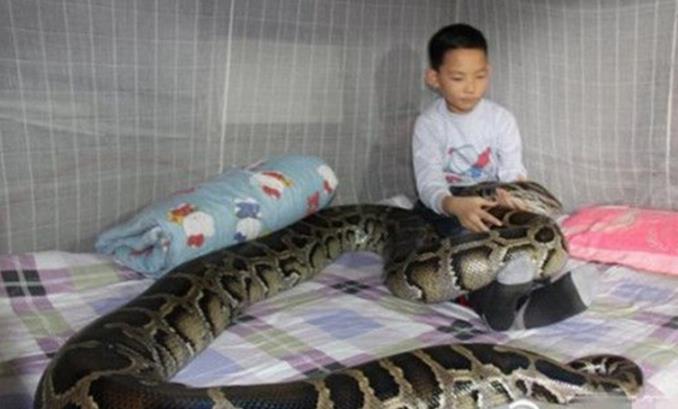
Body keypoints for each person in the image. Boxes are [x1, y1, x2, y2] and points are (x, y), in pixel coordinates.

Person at [412, 23, 595, 331]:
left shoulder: (500, 119)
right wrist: (453, 205)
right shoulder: (429, 124)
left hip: (492, 199)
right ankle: (496, 307)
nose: (470, 87)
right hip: (445, 205)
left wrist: (512, 200)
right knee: (464, 243)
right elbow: (429, 182)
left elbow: (511, 172)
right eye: (458, 78)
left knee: (535, 232)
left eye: (480, 76)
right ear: (434, 78)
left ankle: (523, 294)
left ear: (489, 72)